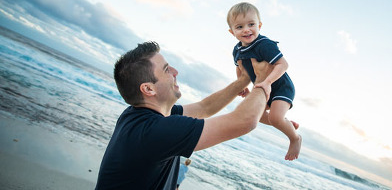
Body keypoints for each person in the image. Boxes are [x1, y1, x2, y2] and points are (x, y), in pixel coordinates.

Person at [95, 41, 272, 190]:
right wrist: (264, 80)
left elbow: (205, 107)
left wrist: (244, 80)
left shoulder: (139, 115)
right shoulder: (155, 131)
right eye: (166, 70)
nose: (175, 72)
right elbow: (244, 121)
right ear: (149, 89)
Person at [227, 2, 302, 161]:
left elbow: (283, 64)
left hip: (281, 87)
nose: (246, 29)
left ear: (259, 25)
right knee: (256, 115)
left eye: (251, 24)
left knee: (275, 118)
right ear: (232, 32)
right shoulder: (237, 50)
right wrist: (242, 85)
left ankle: (295, 138)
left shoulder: (264, 44)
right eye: (239, 27)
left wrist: (268, 82)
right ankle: (285, 122)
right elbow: (240, 68)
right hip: (262, 87)